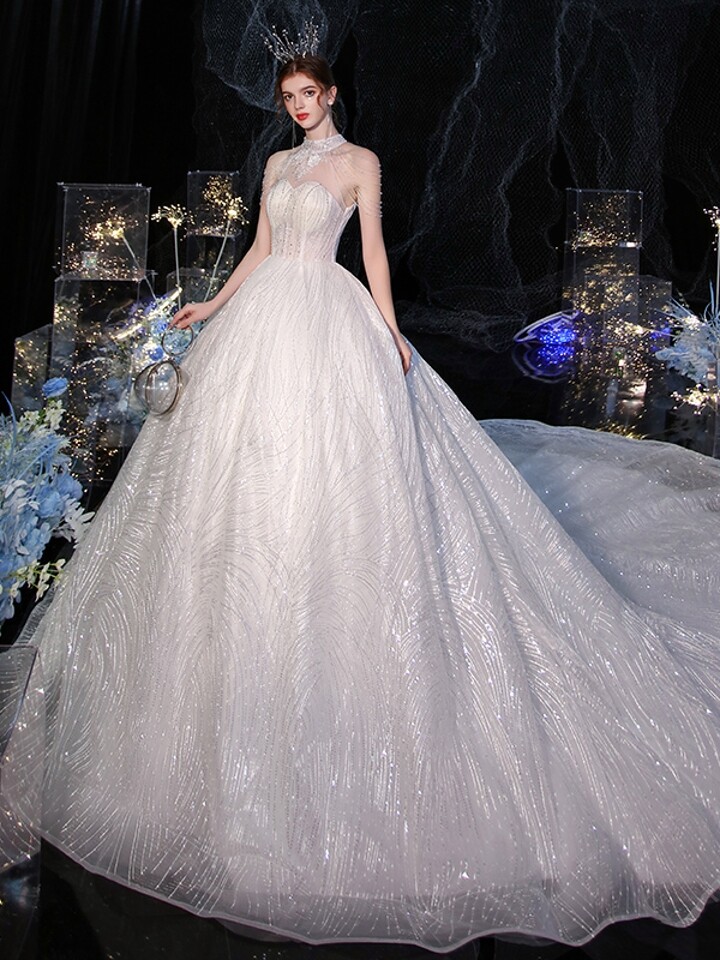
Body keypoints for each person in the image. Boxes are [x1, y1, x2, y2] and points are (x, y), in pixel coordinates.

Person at [24, 38, 720, 954]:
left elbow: (376, 254)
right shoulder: (278, 164)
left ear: (331, 94)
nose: (299, 107)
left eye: (309, 94)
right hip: (262, 317)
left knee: (335, 461)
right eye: (289, 97)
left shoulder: (360, 164)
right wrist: (213, 306)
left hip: (328, 313)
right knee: (234, 463)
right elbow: (261, 246)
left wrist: (389, 332)